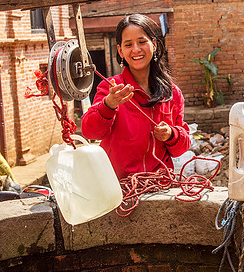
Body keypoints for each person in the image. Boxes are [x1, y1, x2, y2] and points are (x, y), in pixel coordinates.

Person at [81, 14, 191, 179]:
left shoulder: (171, 93)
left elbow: (181, 148)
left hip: (159, 185)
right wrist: (109, 104)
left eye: (142, 42)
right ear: (120, 50)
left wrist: (171, 134)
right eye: (128, 44)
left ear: (153, 44)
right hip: (120, 187)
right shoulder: (110, 88)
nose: (136, 49)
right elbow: (90, 132)